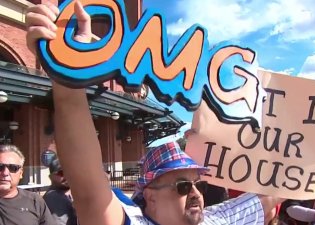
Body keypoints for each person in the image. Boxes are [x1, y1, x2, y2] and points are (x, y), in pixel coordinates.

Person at [25, 2, 285, 224]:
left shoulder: (213, 220)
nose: (195, 192)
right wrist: (68, 69)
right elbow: (90, 189)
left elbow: (268, 199)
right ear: (150, 196)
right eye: (183, 186)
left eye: (198, 184)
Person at [0, 144, 55, 224]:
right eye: (0, 167)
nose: (5, 173)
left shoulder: (34, 201)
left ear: (21, 173)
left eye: (13, 168)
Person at [43, 157, 78, 225]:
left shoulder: (69, 194)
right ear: (50, 177)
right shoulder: (53, 197)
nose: (66, 176)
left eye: (69, 172)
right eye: (61, 173)